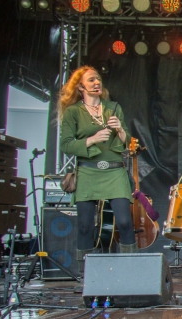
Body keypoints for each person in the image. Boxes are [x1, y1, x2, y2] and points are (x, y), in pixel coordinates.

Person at [58, 66, 135, 284]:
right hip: (88, 171)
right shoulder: (73, 112)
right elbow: (65, 145)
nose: (96, 83)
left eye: (99, 79)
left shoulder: (114, 107)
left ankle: (131, 272)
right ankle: (87, 277)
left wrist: (120, 129)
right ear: (81, 86)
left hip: (114, 171)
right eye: (91, 80)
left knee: (125, 221)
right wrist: (91, 140)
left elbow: (128, 143)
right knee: (84, 225)